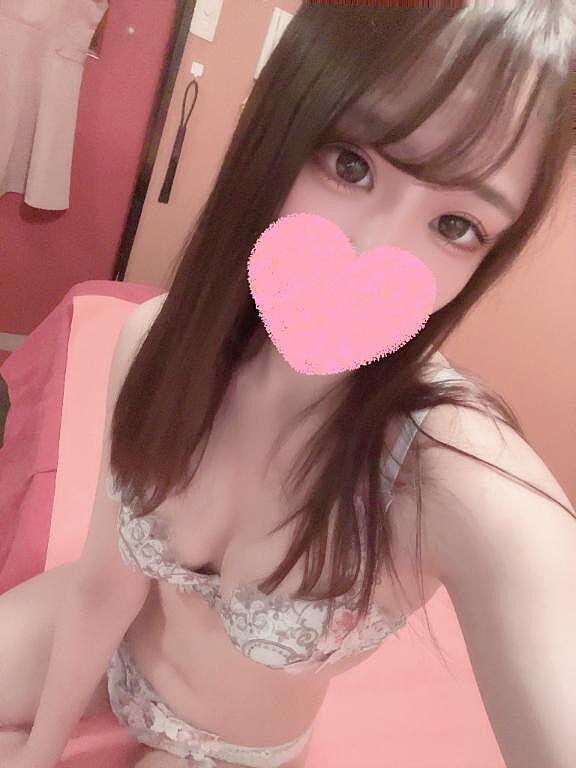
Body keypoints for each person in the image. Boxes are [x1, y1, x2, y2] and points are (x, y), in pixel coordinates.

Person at [1, 3, 575, 768]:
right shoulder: (152, 341)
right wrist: (38, 753)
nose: (372, 249)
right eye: (351, 165)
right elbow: (104, 586)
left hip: (227, 749)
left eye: (455, 226)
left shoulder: (447, 474)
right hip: (104, 642)